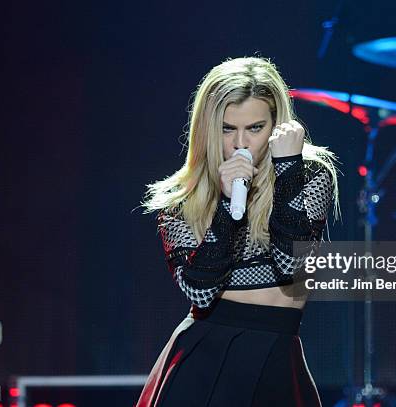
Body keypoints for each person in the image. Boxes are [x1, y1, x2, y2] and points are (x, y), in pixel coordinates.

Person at [137, 56, 340, 407]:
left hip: (275, 354)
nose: (240, 143)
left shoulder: (309, 174)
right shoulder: (182, 200)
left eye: (255, 128)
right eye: (227, 129)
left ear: (278, 126)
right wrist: (228, 210)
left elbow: (292, 268)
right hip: (202, 361)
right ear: (208, 128)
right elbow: (200, 293)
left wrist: (287, 168)